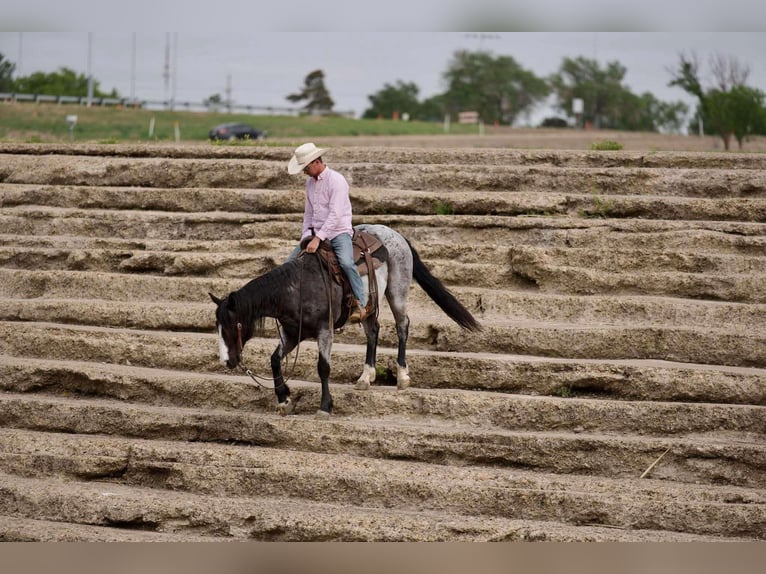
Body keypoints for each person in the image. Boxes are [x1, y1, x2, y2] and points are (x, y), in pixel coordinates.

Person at [287, 142, 368, 323]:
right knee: (289, 264)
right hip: (315, 233)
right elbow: (308, 214)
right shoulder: (310, 184)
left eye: (306, 167)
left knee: (346, 263)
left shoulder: (336, 180)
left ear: (316, 162)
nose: (304, 172)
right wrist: (305, 237)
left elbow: (335, 215)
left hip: (338, 232)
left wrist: (318, 238)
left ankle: (360, 302)